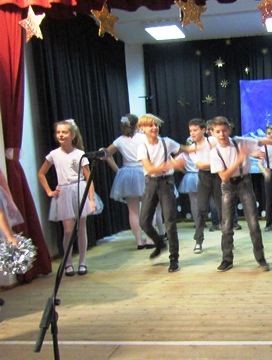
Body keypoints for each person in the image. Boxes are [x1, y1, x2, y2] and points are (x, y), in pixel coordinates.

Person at [209, 116, 272, 272]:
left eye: (224, 130)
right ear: (212, 133)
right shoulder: (214, 152)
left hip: (244, 182)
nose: (222, 134)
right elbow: (224, 176)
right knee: (226, 225)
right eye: (218, 131)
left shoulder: (239, 142)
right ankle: (227, 259)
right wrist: (239, 160)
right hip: (228, 185)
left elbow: (260, 142)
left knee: (253, 222)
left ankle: (260, 258)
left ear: (229, 130)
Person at [38, 119, 101, 276]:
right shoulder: (53, 154)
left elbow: (89, 177)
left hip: (79, 190)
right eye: (58, 132)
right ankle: (67, 263)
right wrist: (49, 191)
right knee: (68, 230)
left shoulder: (80, 154)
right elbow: (41, 173)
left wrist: (91, 199)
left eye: (64, 132)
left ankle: (82, 262)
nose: (61, 135)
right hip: (64, 192)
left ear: (72, 135)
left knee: (81, 228)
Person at [105, 114, 165, 250]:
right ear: (138, 125)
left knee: (133, 211)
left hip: (127, 174)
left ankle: (139, 241)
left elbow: (106, 154)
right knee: (150, 208)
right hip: (144, 172)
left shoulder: (119, 140)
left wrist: (117, 170)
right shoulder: (144, 138)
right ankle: (150, 239)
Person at [137, 114, 187, 272]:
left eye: (156, 125)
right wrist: (170, 164)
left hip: (166, 183)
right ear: (142, 129)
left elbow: (182, 150)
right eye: (150, 125)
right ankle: (159, 243)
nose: (154, 128)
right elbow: (150, 169)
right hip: (151, 183)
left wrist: (181, 159)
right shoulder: (142, 147)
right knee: (144, 221)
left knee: (170, 221)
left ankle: (174, 258)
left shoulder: (167, 142)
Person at [187, 118, 222, 254]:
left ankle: (227, 240)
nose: (192, 133)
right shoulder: (192, 148)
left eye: (195, 130)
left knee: (222, 209)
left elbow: (223, 153)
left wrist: (218, 161)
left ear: (203, 130)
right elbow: (200, 165)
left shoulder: (212, 141)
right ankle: (198, 241)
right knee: (201, 209)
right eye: (190, 131)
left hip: (217, 175)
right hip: (204, 177)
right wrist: (215, 162)